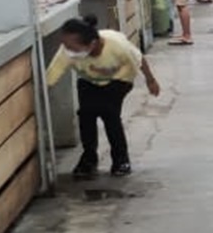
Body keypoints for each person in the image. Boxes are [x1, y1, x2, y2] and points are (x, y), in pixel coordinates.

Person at [46, 15, 161, 178]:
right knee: (86, 114)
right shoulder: (68, 51)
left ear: (92, 44)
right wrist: (41, 93)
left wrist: (151, 81)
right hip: (88, 80)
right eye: (66, 46)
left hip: (119, 79)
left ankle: (121, 160)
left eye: (74, 48)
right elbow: (53, 73)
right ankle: (89, 159)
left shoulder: (117, 46)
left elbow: (140, 60)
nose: (69, 51)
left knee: (110, 114)